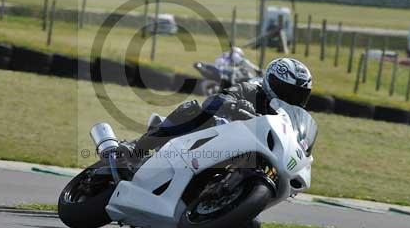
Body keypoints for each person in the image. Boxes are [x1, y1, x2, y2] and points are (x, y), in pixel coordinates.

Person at [131, 57, 313, 157]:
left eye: (298, 95)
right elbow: (216, 99)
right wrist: (234, 106)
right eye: (287, 91)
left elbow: (297, 141)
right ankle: (137, 149)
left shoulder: (289, 118)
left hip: (248, 154)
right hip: (215, 139)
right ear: (273, 83)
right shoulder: (251, 89)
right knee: (192, 109)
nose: (291, 98)